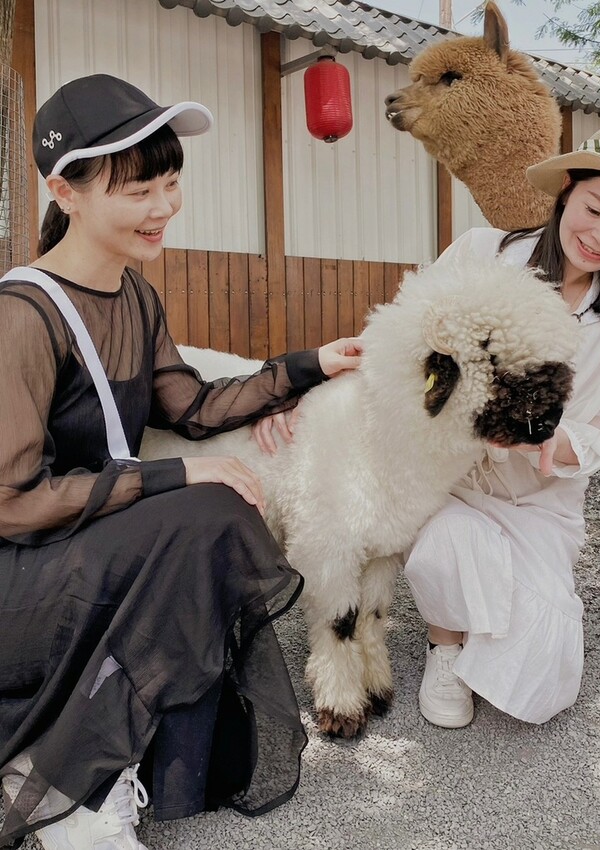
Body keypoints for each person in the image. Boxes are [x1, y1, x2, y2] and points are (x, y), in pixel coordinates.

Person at [0, 74, 362, 850]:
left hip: (87, 554)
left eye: (171, 184)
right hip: (19, 581)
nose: (164, 207)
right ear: (65, 190)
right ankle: (71, 790)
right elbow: (11, 504)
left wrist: (308, 369)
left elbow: (190, 408)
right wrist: (172, 478)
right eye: (139, 190)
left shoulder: (135, 297)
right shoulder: (21, 314)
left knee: (222, 509)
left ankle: (89, 765)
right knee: (207, 511)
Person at [403, 112, 600, 729]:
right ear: (567, 189)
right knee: (445, 544)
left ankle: (496, 623)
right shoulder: (482, 253)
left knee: (543, 679)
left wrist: (538, 438)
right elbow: (412, 340)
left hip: (538, 500)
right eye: (595, 208)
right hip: (449, 478)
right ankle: (445, 645)